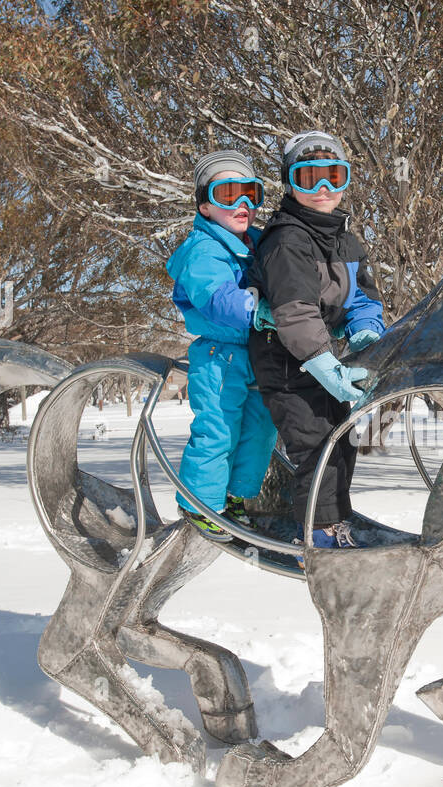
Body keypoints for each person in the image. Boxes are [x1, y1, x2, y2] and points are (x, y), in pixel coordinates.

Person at [248, 130, 385, 550]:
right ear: (290, 182)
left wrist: (365, 333)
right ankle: (316, 538)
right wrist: (322, 362)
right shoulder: (287, 239)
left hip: (324, 356)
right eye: (310, 179)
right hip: (286, 361)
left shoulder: (344, 239)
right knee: (315, 446)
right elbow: (294, 311)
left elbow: (363, 297)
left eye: (334, 177)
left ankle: (335, 521)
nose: (324, 189)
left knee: (341, 440)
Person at [166, 149, 278, 540]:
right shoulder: (203, 249)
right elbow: (217, 297)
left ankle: (235, 495)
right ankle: (199, 500)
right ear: (205, 205)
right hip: (219, 355)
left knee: (261, 429)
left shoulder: (260, 243)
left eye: (251, 193)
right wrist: (259, 310)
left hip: (259, 355)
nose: (243, 204)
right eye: (228, 194)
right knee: (219, 429)